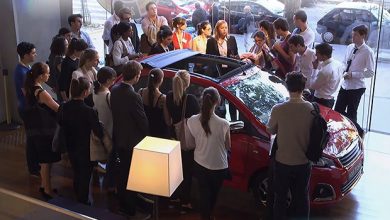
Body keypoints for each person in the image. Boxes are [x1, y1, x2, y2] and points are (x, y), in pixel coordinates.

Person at [267, 72, 313, 220]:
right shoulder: (311, 108)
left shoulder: (278, 109)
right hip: (303, 161)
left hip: (283, 161)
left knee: (280, 198)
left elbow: (271, 130)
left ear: (287, 87)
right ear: (303, 87)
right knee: (302, 197)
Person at [110, 60, 149, 217]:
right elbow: (142, 122)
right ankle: (130, 208)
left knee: (123, 174)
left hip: (119, 138)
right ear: (136, 76)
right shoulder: (133, 96)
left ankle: (123, 204)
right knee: (132, 177)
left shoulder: (115, 89)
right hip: (132, 142)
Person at [187, 87, 230, 220]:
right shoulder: (224, 124)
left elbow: (191, 141)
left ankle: (205, 216)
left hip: (200, 163)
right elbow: (228, 146)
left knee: (204, 193)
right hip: (219, 166)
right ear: (217, 101)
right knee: (213, 195)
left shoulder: (191, 120)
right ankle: (208, 215)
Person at [59, 77, 103, 205]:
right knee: (85, 175)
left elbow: (60, 123)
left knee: (77, 172)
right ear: (85, 92)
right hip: (85, 148)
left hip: (70, 145)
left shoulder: (64, 107)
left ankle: (77, 195)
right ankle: (83, 201)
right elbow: (98, 132)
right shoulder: (89, 111)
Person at [23, 62, 61, 200]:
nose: (49, 75)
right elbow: (57, 109)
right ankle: (47, 189)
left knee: (44, 160)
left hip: (36, 129)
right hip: (45, 130)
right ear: (40, 76)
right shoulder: (42, 92)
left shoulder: (29, 88)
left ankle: (45, 185)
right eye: (47, 73)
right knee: (46, 161)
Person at [166, 70, 200, 213]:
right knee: (186, 172)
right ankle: (185, 202)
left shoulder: (168, 96)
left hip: (173, 138)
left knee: (174, 170)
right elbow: (198, 120)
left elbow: (168, 120)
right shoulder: (191, 99)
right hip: (187, 141)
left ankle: (173, 197)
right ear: (187, 83)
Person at [334, 25, 374, 138]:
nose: (353, 37)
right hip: (345, 85)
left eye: (356, 35)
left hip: (357, 87)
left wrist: (353, 75)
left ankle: (356, 134)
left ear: (363, 35)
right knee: (338, 110)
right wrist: (342, 71)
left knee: (352, 112)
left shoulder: (368, 52)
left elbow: (370, 73)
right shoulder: (350, 47)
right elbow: (344, 63)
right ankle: (347, 131)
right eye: (352, 34)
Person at [14, 42, 39, 176]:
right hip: (27, 109)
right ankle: (33, 168)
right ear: (25, 55)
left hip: (26, 108)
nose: (35, 55)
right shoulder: (22, 72)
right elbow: (27, 94)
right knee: (32, 138)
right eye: (33, 53)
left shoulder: (25, 68)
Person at [92, 66, 117, 193]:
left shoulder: (94, 93)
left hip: (100, 129)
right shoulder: (108, 95)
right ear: (108, 81)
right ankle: (110, 184)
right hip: (109, 129)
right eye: (113, 79)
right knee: (111, 156)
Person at [139, 68, 170, 138]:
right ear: (161, 80)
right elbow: (167, 120)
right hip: (158, 134)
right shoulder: (163, 98)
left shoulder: (140, 92)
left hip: (145, 131)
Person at [311, 43, 343, 108]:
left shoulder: (325, 71)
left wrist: (314, 69)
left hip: (320, 100)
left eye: (317, 53)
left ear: (324, 56)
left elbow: (313, 86)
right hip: (331, 99)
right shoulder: (338, 64)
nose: (315, 54)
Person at [48, 36, 68, 101]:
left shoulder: (52, 55)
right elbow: (64, 73)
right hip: (60, 85)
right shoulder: (58, 59)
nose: (68, 46)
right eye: (66, 45)